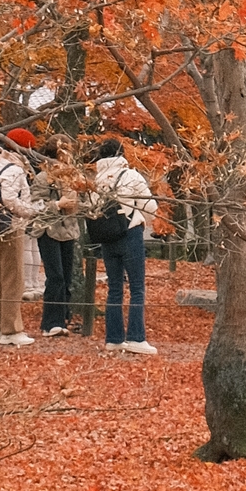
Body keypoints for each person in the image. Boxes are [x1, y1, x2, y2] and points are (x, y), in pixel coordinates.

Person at [86, 136, 159, 353]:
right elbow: (150, 206)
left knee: (114, 289)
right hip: (130, 232)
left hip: (108, 236)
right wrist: (141, 216)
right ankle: (136, 337)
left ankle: (114, 338)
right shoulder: (131, 175)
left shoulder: (96, 180)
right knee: (137, 288)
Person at [0, 129, 37, 345]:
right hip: (10, 227)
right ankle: (11, 330)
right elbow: (10, 199)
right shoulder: (14, 169)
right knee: (14, 278)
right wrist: (31, 211)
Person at [31, 137, 88, 335]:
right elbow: (35, 206)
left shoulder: (74, 177)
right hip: (49, 230)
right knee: (55, 276)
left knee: (66, 276)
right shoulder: (43, 178)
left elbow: (84, 202)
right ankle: (51, 323)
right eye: (66, 152)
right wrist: (57, 205)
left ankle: (64, 318)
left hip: (70, 230)